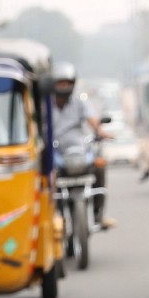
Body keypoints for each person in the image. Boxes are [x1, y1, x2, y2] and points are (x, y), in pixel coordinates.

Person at [51, 62, 116, 228]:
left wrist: (100, 132)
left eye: (67, 83)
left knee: (99, 166)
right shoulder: (46, 104)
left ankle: (98, 214)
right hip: (55, 152)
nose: (64, 87)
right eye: (60, 83)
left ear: (72, 84)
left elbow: (91, 118)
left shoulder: (79, 102)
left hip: (78, 150)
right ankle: (52, 217)